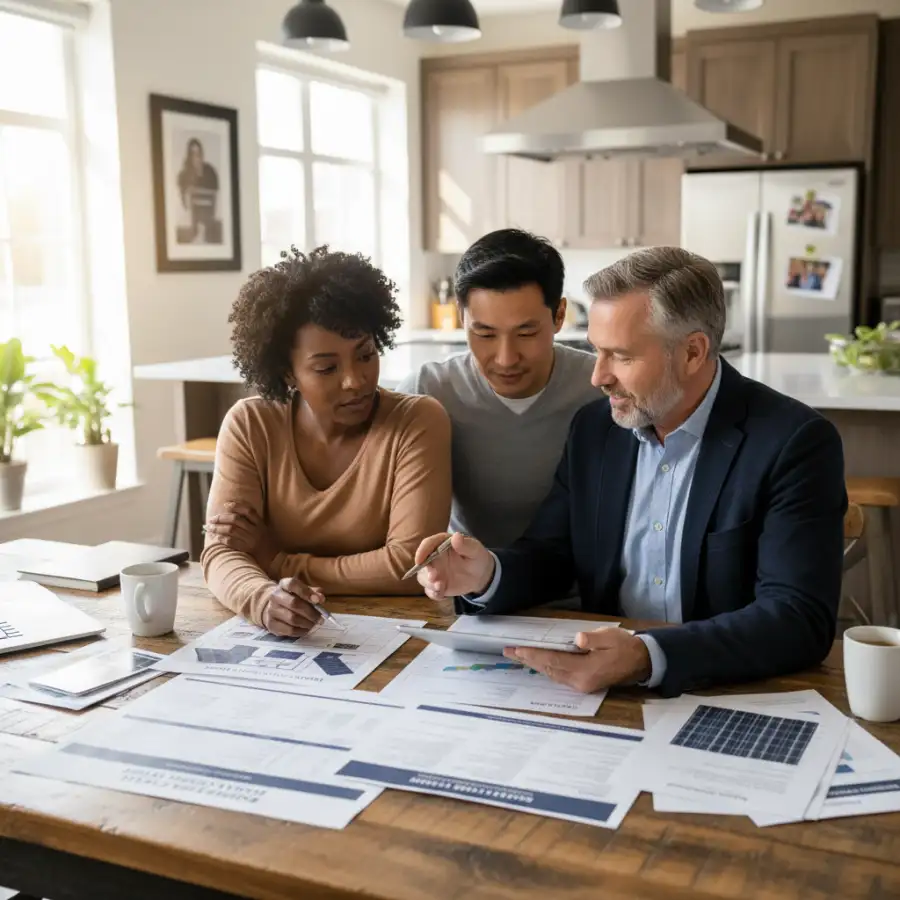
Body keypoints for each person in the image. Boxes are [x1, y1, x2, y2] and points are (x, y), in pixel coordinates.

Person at [413, 246, 847, 698]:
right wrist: (486, 573)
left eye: (620, 356)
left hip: (729, 691)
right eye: (595, 351)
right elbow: (554, 554)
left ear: (693, 352)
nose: (598, 377)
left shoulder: (793, 442)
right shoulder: (596, 428)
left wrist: (646, 656)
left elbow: (798, 617)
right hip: (602, 691)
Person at [202, 245, 452, 637]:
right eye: (326, 368)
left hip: (397, 632)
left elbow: (410, 566)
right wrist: (262, 599)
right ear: (288, 372)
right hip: (291, 641)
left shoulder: (416, 421)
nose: (355, 380)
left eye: (365, 355)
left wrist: (275, 560)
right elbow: (221, 550)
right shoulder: (251, 425)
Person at [397, 229, 599, 548]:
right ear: (461, 317)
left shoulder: (601, 388)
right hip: (462, 574)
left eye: (526, 333)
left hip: (575, 576)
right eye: (485, 334)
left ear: (560, 316)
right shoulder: (427, 391)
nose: (506, 359)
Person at [177, 138, 220, 243]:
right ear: (189, 156)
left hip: (208, 220)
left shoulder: (210, 172)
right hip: (191, 221)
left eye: (199, 153)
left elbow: (214, 197)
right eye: (193, 154)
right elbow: (185, 204)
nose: (197, 157)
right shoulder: (184, 175)